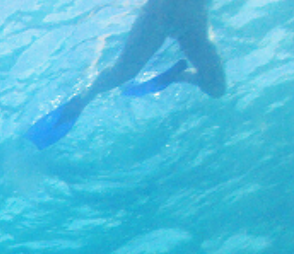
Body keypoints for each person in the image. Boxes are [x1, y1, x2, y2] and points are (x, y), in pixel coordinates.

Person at [24, 0, 226, 148]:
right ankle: (84, 99)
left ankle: (175, 76)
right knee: (123, 73)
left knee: (216, 87)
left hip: (194, 22)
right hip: (159, 16)